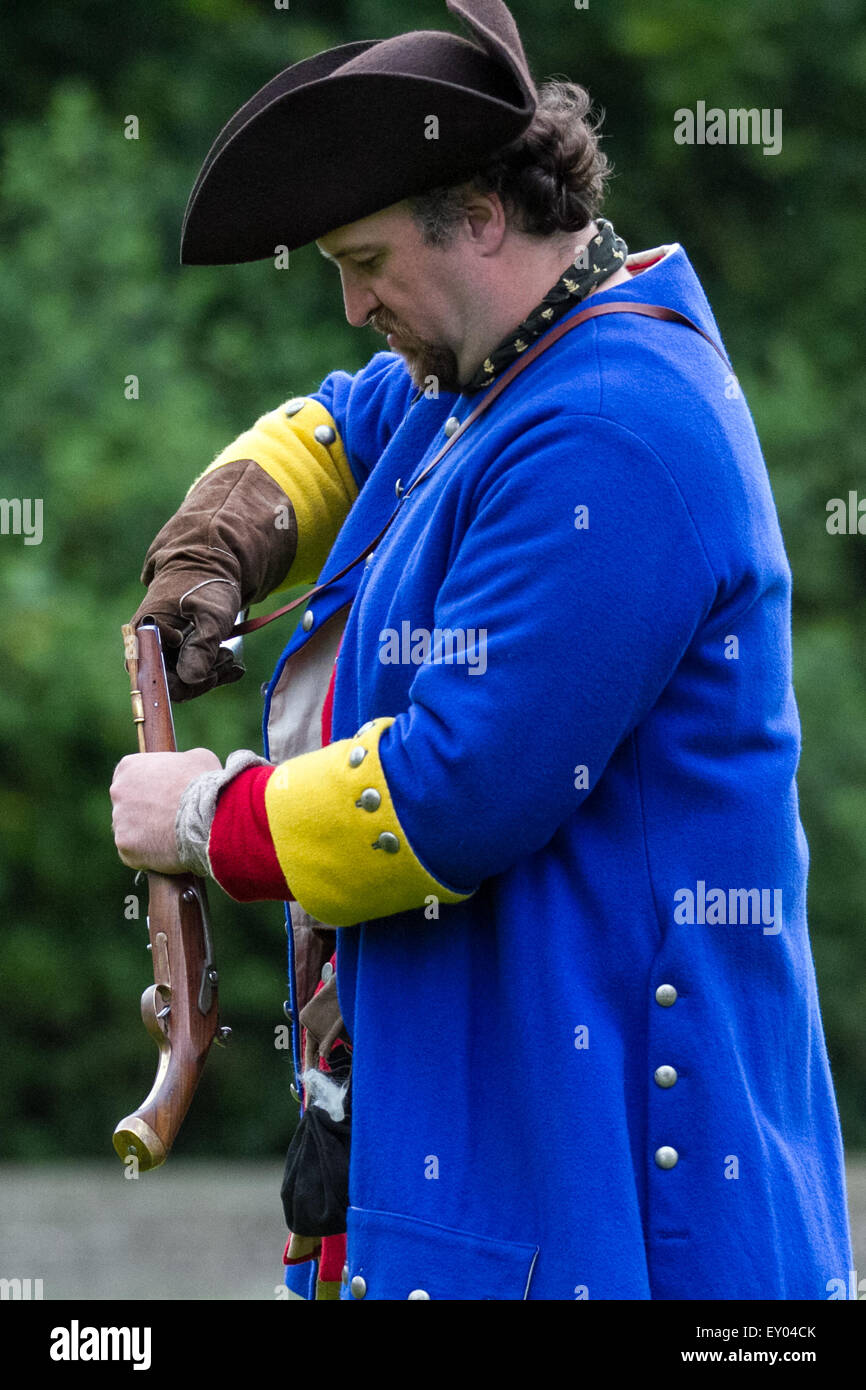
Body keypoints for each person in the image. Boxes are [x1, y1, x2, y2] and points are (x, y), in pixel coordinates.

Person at [110, 0, 853, 1300]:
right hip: (491, 1158)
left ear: (484, 215)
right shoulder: (493, 364)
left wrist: (206, 822)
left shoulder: (612, 432)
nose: (349, 304)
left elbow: (456, 788)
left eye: (366, 258)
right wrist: (217, 547)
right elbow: (339, 428)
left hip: (623, 1200)